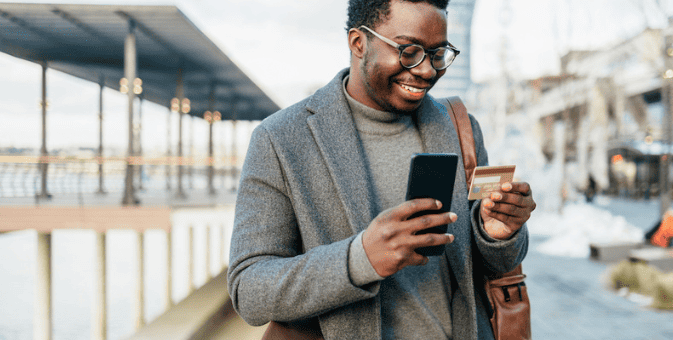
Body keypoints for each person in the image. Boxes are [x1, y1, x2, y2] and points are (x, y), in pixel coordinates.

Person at [228, 0, 536, 339]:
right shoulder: (281, 139)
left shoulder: (460, 127)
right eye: (409, 51)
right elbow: (249, 290)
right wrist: (361, 259)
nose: (426, 70)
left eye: (438, 54)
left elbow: (488, 265)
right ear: (359, 42)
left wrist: (496, 233)